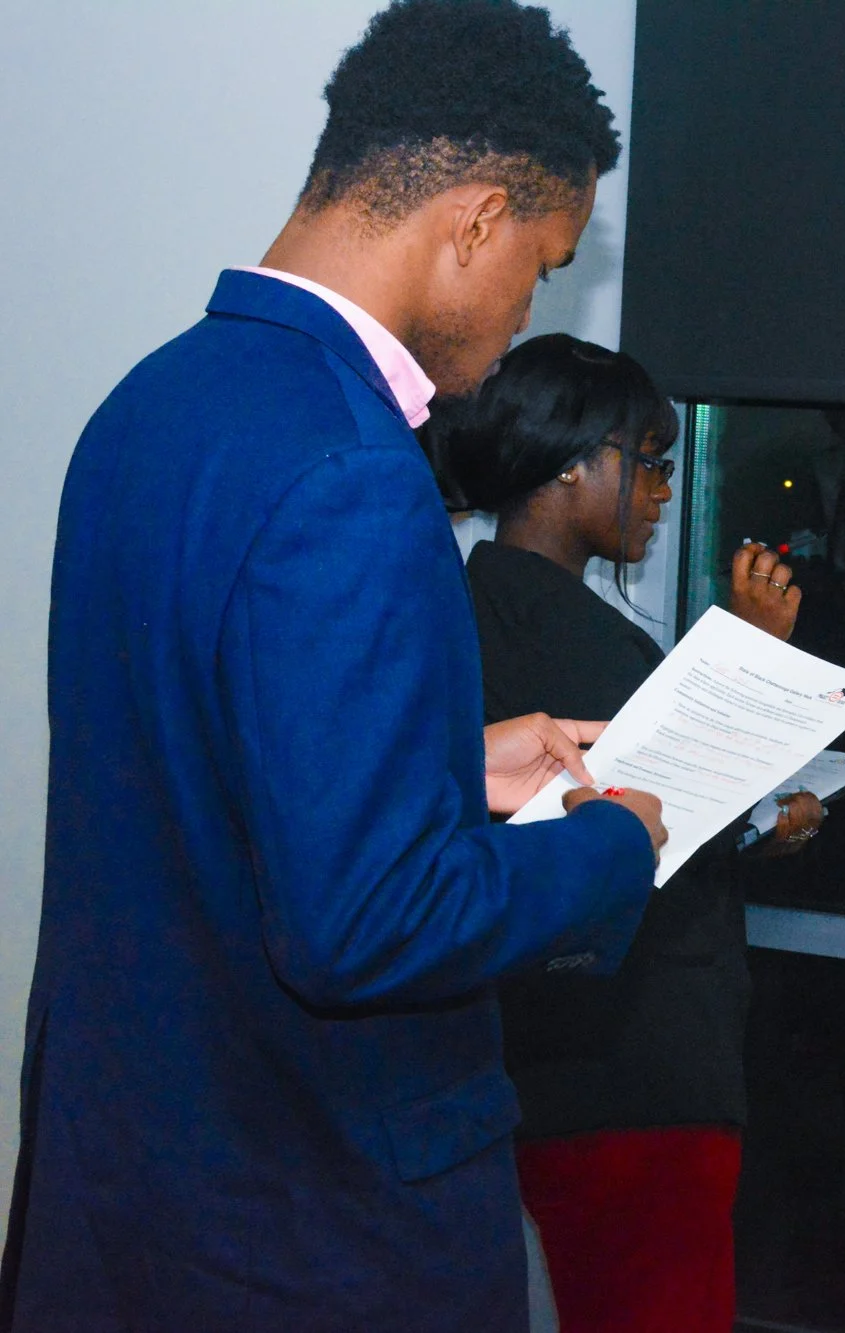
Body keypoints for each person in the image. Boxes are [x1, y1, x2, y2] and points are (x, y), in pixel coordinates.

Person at [3, 5, 674, 1330]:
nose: (527, 306)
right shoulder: (353, 470)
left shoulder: (153, 402)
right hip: (306, 1227)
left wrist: (437, 761)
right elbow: (366, 925)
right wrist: (615, 847)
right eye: (540, 265)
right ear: (474, 222)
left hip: (134, 1188)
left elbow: (187, 758)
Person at [437, 333, 823, 1332]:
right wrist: (741, 656)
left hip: (549, 1068)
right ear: (573, 464)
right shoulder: (556, 628)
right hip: (626, 1073)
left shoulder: (474, 611)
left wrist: (750, 826)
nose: (659, 492)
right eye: (645, 462)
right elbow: (618, 825)